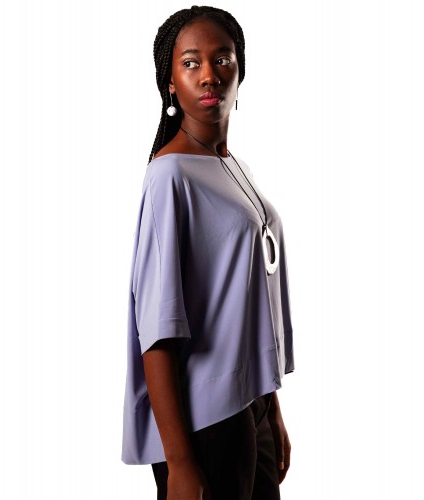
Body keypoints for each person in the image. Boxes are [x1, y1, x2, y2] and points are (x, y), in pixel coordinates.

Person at [121, 5, 295, 499]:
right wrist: (179, 462)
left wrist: (271, 411)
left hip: (250, 403)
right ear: (170, 82)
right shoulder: (169, 176)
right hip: (204, 419)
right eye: (191, 63)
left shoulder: (230, 165)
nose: (209, 75)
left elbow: (244, 312)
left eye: (222, 59)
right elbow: (156, 328)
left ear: (240, 71)